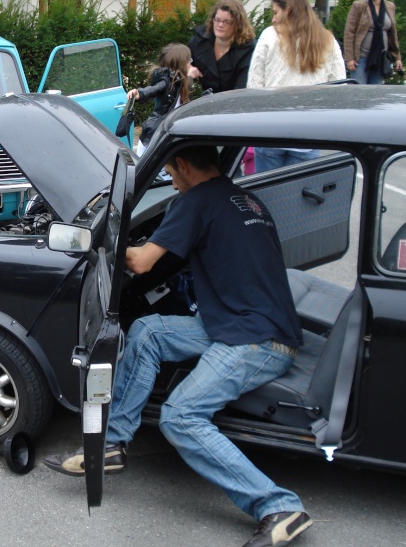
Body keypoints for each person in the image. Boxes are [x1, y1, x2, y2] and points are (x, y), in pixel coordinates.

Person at [44, 146, 312, 547]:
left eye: (170, 171)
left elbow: (140, 263)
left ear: (183, 165)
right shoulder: (242, 197)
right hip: (241, 320)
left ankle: (279, 505)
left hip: (256, 340)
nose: (171, 179)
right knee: (149, 332)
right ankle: (113, 443)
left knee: (181, 417)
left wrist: (101, 242)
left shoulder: (196, 201)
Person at [248, 0, 345, 172]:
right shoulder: (327, 39)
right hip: (308, 131)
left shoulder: (269, 35)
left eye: (276, 12)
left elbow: (254, 84)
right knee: (297, 195)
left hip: (270, 130)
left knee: (265, 194)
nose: (273, 18)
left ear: (289, 11)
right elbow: (338, 86)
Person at [128, 43, 192, 152]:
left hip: (165, 134)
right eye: (189, 60)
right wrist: (139, 93)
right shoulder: (168, 82)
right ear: (182, 63)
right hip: (153, 136)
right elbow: (154, 89)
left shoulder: (181, 83)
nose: (191, 63)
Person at [188, 0, 258, 93]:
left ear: (238, 25)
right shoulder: (199, 41)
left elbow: (241, 90)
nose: (220, 25)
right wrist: (188, 68)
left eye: (226, 22)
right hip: (205, 101)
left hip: (233, 101)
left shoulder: (248, 49)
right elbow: (181, 63)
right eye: (217, 20)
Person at [344, 0, 403, 85]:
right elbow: (349, 33)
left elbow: (392, 34)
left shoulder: (390, 6)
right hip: (360, 59)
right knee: (359, 91)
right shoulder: (359, 6)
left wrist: (397, 57)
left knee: (374, 92)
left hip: (380, 58)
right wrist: (349, 58)